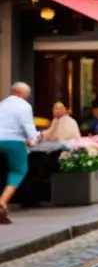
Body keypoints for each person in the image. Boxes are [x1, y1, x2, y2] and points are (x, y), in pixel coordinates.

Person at [0, 83, 40, 223]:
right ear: (21, 94)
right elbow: (28, 126)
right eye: (27, 96)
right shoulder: (24, 106)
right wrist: (34, 140)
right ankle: (2, 201)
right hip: (14, 141)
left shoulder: (2, 104)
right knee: (18, 170)